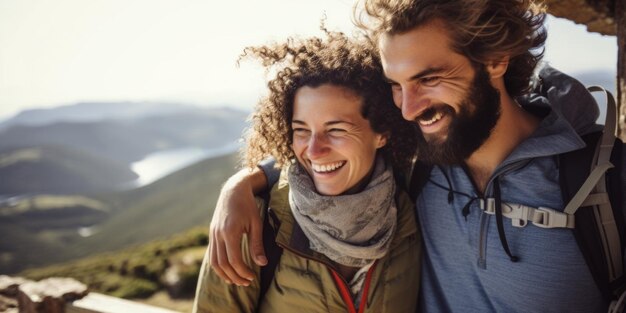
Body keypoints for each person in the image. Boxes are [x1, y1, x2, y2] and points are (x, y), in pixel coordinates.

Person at [208, 0, 626, 312]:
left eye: (429, 78)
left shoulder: (606, 183)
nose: (408, 108)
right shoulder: (419, 158)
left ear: (496, 59)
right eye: (396, 83)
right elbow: (332, 148)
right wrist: (244, 182)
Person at [193, 30, 422, 312]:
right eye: (301, 130)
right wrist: (238, 185)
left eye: (335, 130)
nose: (313, 151)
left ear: (382, 132)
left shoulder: (410, 210)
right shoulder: (252, 222)